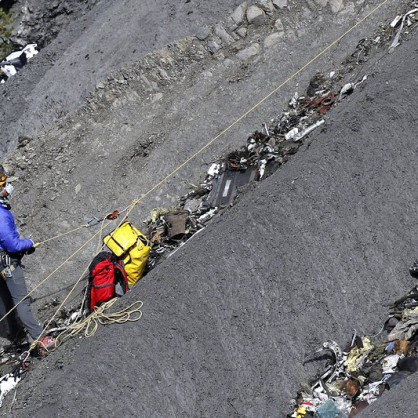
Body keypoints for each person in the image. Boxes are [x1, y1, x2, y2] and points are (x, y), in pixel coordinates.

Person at [0, 165, 56, 352]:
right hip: (8, 262)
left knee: (5, 301)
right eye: (4, 185)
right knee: (21, 302)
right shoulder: (0, 214)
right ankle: (40, 339)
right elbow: (12, 245)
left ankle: (16, 335)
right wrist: (29, 243)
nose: (7, 188)